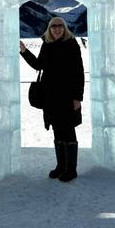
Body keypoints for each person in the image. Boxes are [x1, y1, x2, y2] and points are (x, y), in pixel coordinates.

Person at [20, 16, 84, 182]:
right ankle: (61, 166)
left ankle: (71, 169)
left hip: (68, 96)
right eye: (54, 26)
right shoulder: (46, 44)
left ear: (64, 28)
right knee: (57, 130)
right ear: (49, 29)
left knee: (68, 130)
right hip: (50, 96)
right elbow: (38, 65)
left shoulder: (72, 44)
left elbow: (79, 72)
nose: (57, 29)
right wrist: (24, 51)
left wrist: (78, 97)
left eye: (60, 26)